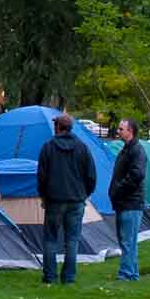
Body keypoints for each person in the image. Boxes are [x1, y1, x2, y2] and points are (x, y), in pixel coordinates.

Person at [35, 112, 96, 284]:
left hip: (54, 200)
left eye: (55, 125)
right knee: (72, 240)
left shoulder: (48, 147)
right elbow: (91, 176)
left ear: (58, 127)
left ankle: (50, 276)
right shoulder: (82, 147)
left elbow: (41, 176)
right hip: (76, 200)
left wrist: (44, 196)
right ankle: (69, 277)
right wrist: (84, 194)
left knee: (50, 239)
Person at [108, 118, 147, 281]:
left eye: (121, 129)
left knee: (127, 241)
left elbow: (137, 174)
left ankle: (126, 274)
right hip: (123, 203)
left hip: (131, 203)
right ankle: (132, 273)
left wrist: (119, 188)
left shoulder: (136, 150)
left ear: (130, 131)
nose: (118, 131)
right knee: (128, 241)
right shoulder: (127, 149)